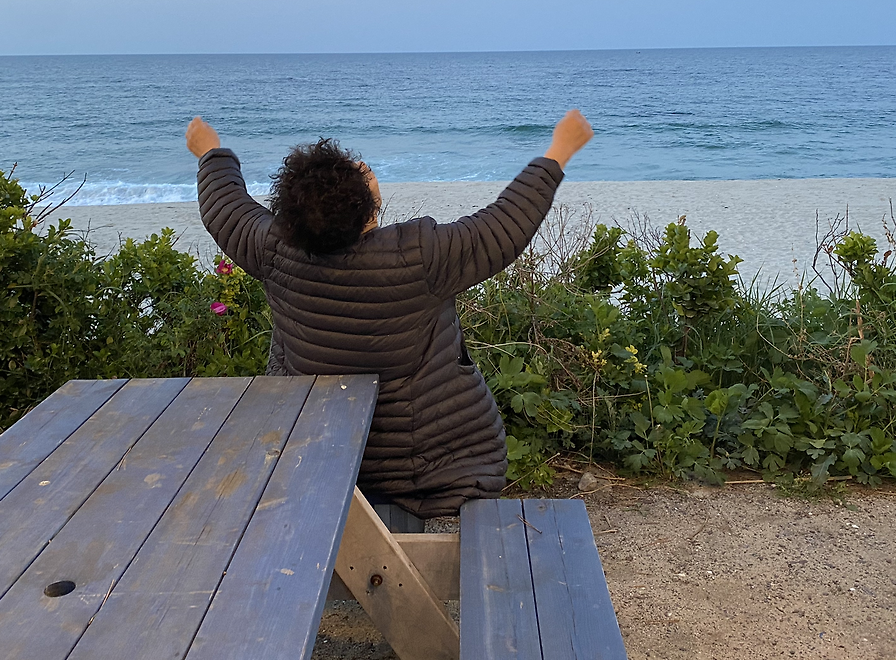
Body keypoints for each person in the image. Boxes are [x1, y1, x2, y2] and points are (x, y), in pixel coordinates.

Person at [186, 110, 594, 518]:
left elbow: (224, 205)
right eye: (359, 176)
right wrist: (560, 149)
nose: (364, 168)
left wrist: (211, 152)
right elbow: (506, 222)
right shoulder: (420, 258)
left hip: (318, 461)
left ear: (289, 217)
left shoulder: (272, 248)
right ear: (367, 210)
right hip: (441, 476)